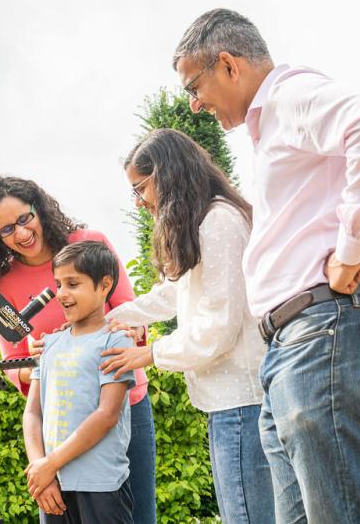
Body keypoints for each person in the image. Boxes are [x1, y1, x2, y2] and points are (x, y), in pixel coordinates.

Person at [172, 9, 360, 524]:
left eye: (196, 85)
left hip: (321, 333)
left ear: (229, 65)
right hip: (293, 345)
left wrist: (350, 251)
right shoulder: (273, 124)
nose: (195, 103)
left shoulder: (289, 96)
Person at [0, 175, 156, 523]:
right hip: (60, 423)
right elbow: (12, 366)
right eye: (6, 230)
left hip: (124, 406)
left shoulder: (91, 244)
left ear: (39, 209)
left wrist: (109, 333)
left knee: (138, 514)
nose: (20, 233)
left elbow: (134, 319)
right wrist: (34, 358)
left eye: (23, 218)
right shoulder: (4, 285)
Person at [99, 128, 274, 524]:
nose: (140, 200)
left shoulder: (219, 223)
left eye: (140, 187)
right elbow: (171, 295)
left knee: (246, 516)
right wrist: (107, 319)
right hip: (227, 404)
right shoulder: (204, 223)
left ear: (167, 174)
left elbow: (218, 326)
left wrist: (148, 352)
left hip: (243, 402)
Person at [23, 241, 136, 523]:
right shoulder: (48, 344)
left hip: (101, 485)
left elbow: (107, 414)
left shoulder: (115, 340)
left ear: (104, 285)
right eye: (59, 284)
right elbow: (32, 412)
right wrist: (40, 470)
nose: (62, 294)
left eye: (73, 284)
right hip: (52, 485)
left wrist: (50, 463)